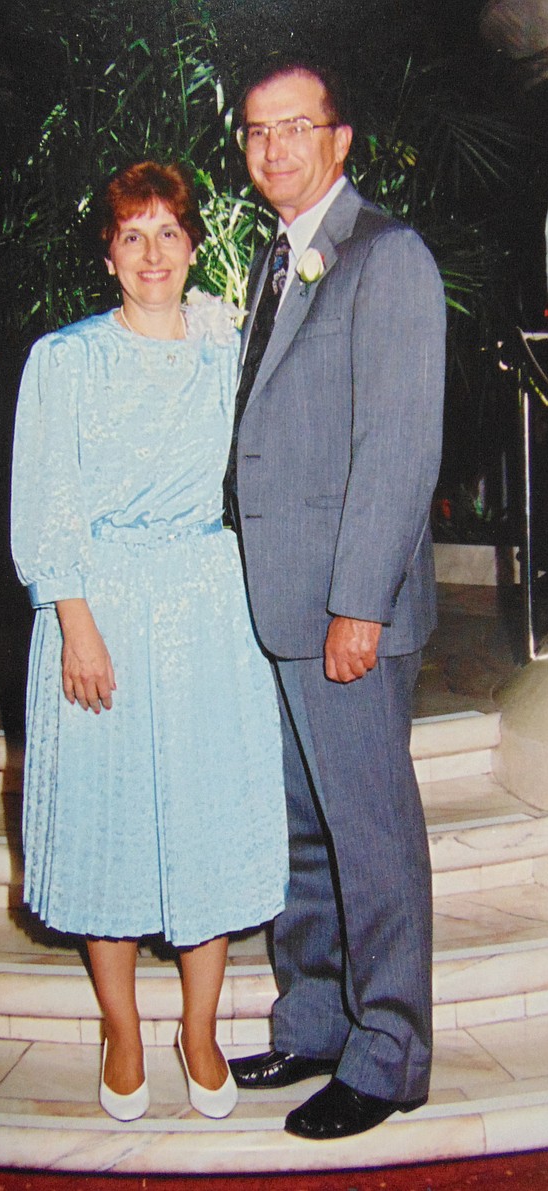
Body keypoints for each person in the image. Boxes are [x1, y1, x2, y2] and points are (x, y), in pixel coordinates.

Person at [10, 161, 288, 1124]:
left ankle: (200, 1029)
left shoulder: (226, 346)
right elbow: (46, 500)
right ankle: (123, 1029)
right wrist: (73, 621)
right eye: (134, 234)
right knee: (108, 819)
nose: (154, 252)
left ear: (193, 245)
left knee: (206, 819)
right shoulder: (67, 358)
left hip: (208, 606)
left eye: (171, 232)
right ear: (108, 252)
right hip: (103, 609)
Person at [224, 60, 446, 1139]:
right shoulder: (276, 260)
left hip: (344, 612)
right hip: (280, 606)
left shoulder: (385, 255)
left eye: (295, 126)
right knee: (300, 833)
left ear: (339, 139)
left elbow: (397, 445)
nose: (274, 148)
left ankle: (389, 1052)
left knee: (369, 836)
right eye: (257, 131)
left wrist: (359, 603)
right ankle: (313, 1023)